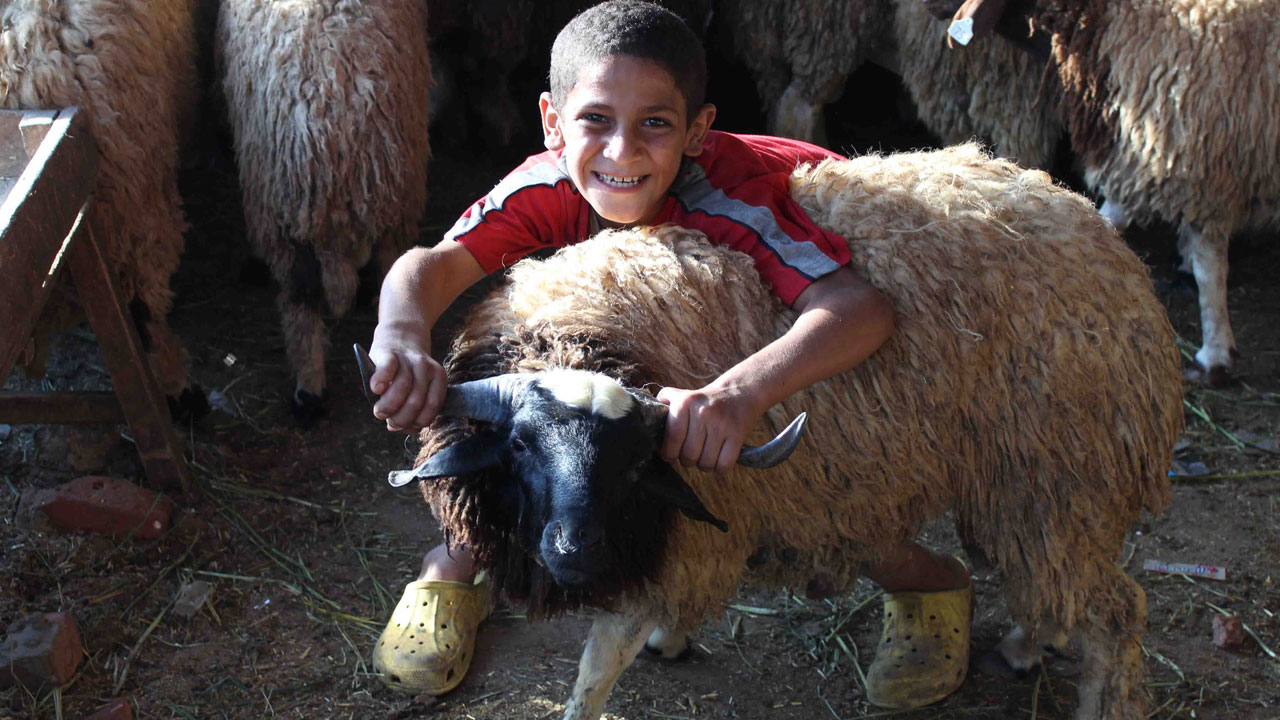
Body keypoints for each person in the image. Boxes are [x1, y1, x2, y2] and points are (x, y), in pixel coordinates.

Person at [364, 0, 971, 709]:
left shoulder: (729, 199)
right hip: (655, 339)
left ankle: (927, 582)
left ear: (696, 132)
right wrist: (401, 334)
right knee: (529, 441)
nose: (621, 152)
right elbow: (431, 265)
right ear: (553, 123)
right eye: (596, 119)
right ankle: (453, 562)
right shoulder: (551, 183)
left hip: (761, 318)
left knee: (817, 494)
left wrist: (740, 395)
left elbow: (857, 309)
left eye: (655, 123)